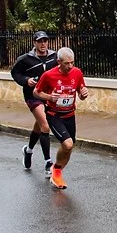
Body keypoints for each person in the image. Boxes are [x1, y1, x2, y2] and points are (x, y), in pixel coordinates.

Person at [32, 47, 89, 190]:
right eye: (66, 63)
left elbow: (81, 94)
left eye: (72, 63)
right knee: (68, 144)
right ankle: (56, 171)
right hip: (54, 115)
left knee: (69, 147)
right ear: (59, 62)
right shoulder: (48, 75)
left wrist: (83, 94)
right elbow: (36, 92)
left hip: (70, 114)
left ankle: (57, 171)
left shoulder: (77, 73)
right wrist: (50, 97)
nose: (70, 66)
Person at [10, 31, 60, 174]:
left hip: (49, 96)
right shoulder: (25, 59)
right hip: (33, 96)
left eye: (45, 41)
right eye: (40, 41)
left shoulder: (54, 57)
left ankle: (28, 150)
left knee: (39, 126)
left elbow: (60, 70)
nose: (43, 44)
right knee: (45, 125)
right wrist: (26, 80)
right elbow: (15, 73)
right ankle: (48, 163)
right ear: (34, 43)